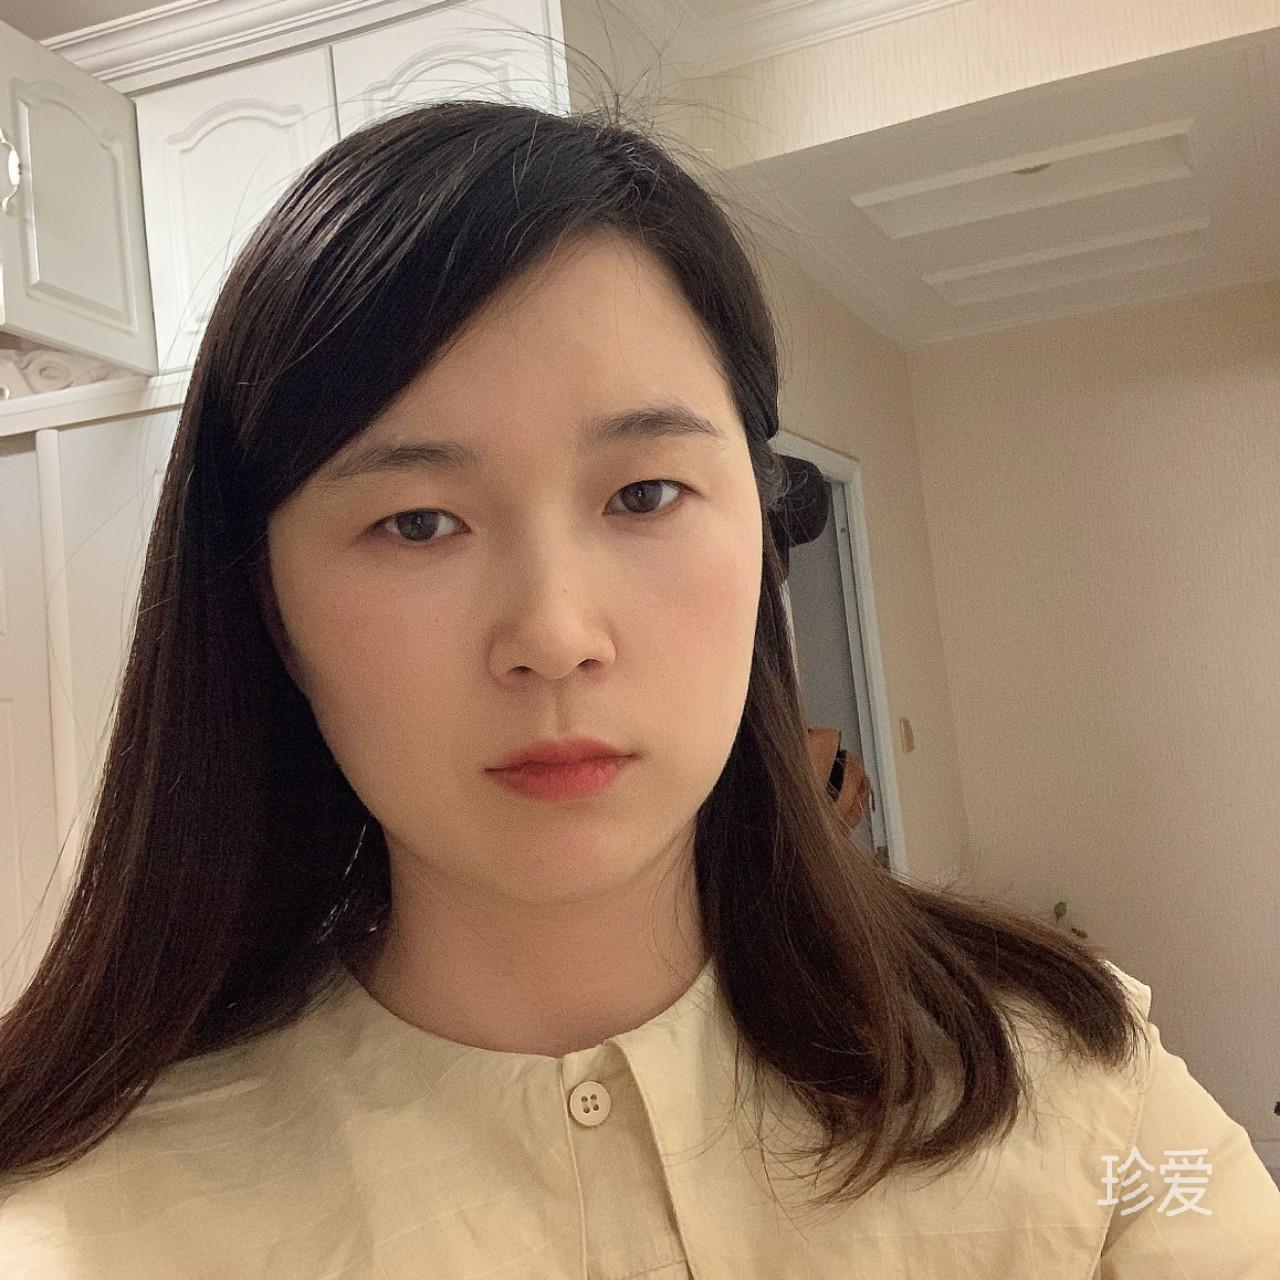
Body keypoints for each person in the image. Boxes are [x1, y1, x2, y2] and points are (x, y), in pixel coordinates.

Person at [0, 90, 1276, 1278]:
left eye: (645, 493)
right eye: (418, 521)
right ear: (266, 606)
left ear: (760, 536)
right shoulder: (85, 1218)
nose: (554, 635)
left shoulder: (1068, 1085)